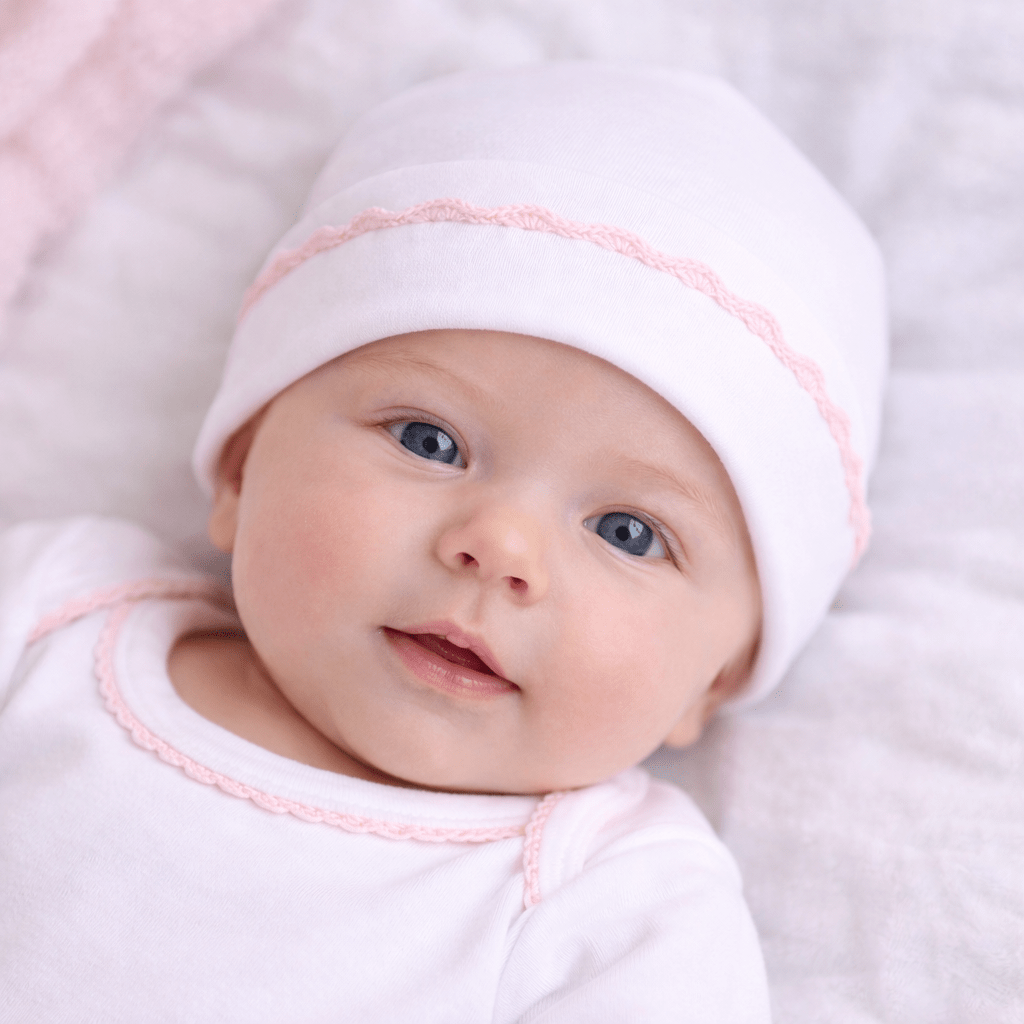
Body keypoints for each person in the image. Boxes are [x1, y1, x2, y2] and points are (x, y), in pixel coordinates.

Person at [0, 63, 886, 1020]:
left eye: (629, 533)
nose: (500, 546)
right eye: (430, 441)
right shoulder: (52, 609)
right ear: (243, 467)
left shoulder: (614, 906)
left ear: (714, 679)